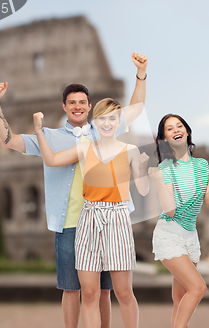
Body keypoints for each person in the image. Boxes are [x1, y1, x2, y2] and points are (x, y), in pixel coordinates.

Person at [0, 52, 148, 328]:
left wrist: (141, 74)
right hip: (68, 221)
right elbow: (8, 140)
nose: (77, 106)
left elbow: (136, 107)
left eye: (82, 102)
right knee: (72, 289)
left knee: (104, 290)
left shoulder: (103, 128)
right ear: (64, 106)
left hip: (110, 217)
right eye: (72, 102)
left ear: (89, 107)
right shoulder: (49, 137)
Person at [33, 97, 149, 328]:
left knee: (124, 292)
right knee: (89, 294)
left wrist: (143, 169)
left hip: (117, 218)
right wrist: (38, 130)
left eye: (112, 118)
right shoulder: (85, 148)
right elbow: (52, 160)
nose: (107, 123)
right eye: (102, 118)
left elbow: (143, 191)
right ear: (95, 121)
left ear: (119, 121)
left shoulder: (131, 150)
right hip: (89, 218)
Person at [148, 114, 209, 328]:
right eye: (169, 129)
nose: (176, 130)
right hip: (169, 234)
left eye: (179, 126)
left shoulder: (201, 165)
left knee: (180, 299)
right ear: (165, 139)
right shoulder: (165, 168)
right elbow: (170, 210)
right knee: (198, 288)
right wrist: (159, 182)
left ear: (187, 131)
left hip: (190, 236)